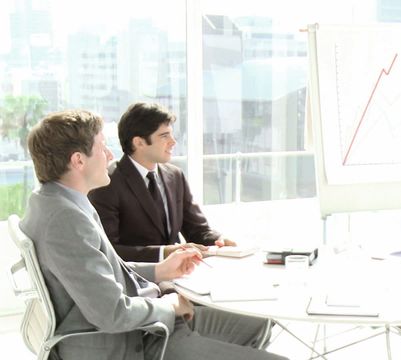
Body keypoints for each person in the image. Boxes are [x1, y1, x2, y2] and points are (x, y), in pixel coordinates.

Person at [20, 109, 287, 360]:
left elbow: (106, 272)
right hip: (136, 340)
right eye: (102, 148)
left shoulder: (56, 200)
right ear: (78, 160)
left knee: (258, 323)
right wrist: (170, 306)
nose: (110, 155)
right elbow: (112, 313)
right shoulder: (65, 220)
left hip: (145, 321)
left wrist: (160, 270)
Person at [89, 102, 235, 262]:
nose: (173, 141)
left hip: (181, 274)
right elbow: (108, 250)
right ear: (139, 142)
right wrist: (165, 253)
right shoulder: (108, 182)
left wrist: (219, 240)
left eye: (171, 134)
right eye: (164, 136)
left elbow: (197, 230)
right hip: (139, 280)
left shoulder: (175, 175)